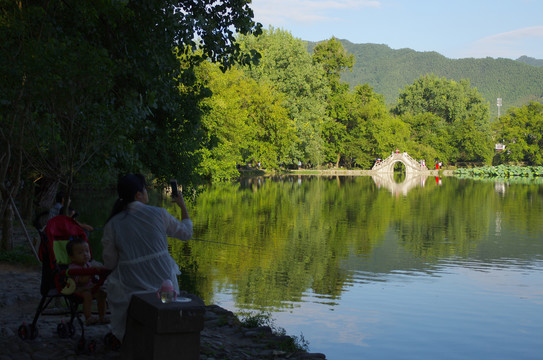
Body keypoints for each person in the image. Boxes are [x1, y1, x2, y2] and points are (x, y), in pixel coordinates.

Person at [101, 173, 193, 345]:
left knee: (115, 282)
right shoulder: (159, 214)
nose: (147, 192)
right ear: (138, 194)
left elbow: (110, 263)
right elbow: (186, 233)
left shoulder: (113, 224)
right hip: (165, 288)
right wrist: (182, 206)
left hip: (130, 290)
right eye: (145, 189)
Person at [66, 237, 109, 325]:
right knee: (87, 295)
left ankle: (102, 316)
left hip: (90, 287)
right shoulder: (73, 268)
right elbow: (82, 281)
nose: (85, 254)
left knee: (102, 293)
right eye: (80, 253)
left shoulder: (89, 264)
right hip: (78, 289)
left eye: (87, 251)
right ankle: (88, 317)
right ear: (72, 257)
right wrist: (91, 271)